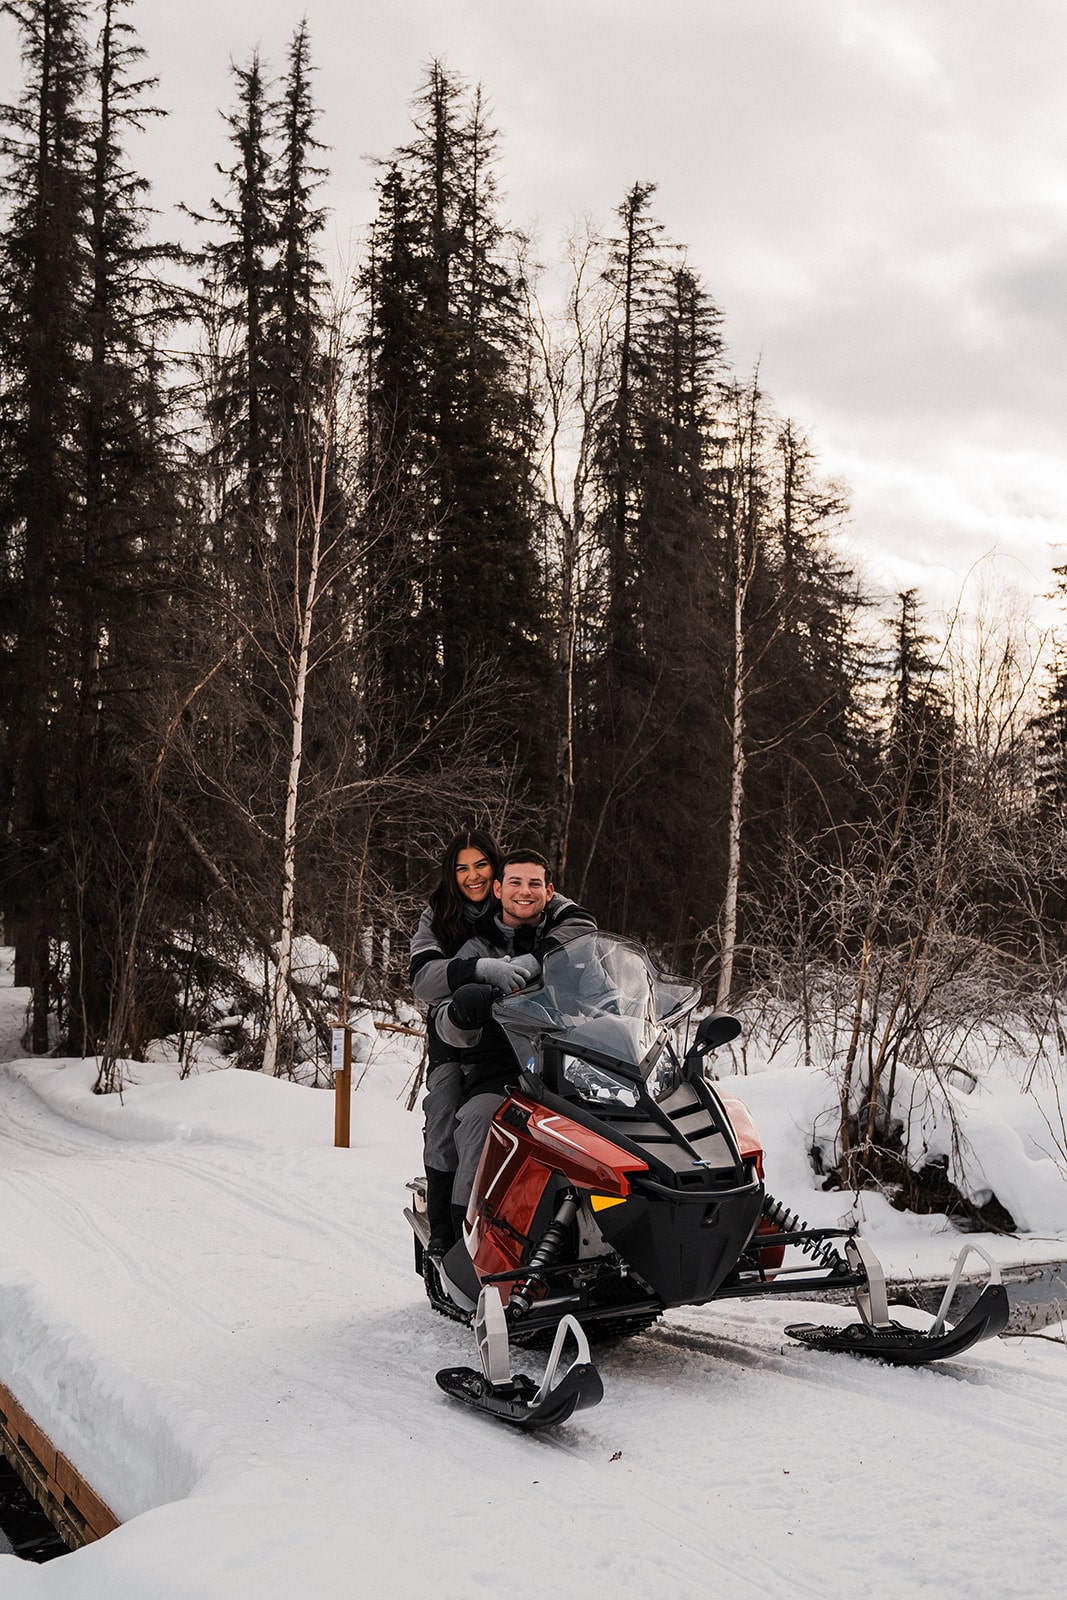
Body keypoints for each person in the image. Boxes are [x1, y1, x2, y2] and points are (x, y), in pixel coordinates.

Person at [429, 848, 596, 1229]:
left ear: (549, 891)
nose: (525, 891)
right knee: (478, 1119)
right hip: (498, 1067)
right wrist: (463, 1010)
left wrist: (624, 1014)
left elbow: (603, 991)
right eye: (515, 882)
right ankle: (462, 1232)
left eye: (534, 883)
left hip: (566, 1063)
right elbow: (443, 1017)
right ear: (498, 890)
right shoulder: (476, 948)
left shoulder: (566, 941)